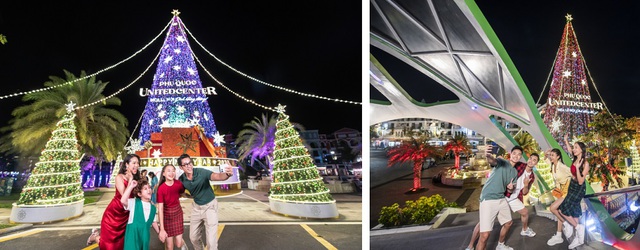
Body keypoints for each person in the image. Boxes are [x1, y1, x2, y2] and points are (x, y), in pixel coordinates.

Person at [466, 152, 539, 250]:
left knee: (524, 213)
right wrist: (493, 157)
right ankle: (470, 245)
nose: (531, 161)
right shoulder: (519, 165)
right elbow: (502, 162)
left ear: (536, 164)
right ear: (527, 158)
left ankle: (522, 231)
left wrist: (526, 184)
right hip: (503, 195)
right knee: (483, 225)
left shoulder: (532, 177)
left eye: (534, 160)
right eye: (530, 158)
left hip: (514, 197)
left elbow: (525, 192)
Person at [178, 154, 233, 250]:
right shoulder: (182, 180)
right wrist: (190, 196)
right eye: (185, 164)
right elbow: (181, 192)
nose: (189, 166)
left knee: (211, 243)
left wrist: (227, 174)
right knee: (193, 237)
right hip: (196, 208)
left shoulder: (201, 172)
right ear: (181, 167)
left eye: (190, 163)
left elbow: (217, 176)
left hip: (210, 207)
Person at [475, 145, 518, 250]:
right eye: (514, 153)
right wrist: (488, 156)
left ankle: (500, 245)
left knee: (508, 223)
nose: (516, 156)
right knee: (484, 236)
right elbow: (492, 161)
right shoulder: (502, 161)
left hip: (501, 198)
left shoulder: (515, 172)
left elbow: (509, 190)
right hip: (489, 198)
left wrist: (511, 188)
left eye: (519, 154)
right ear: (510, 154)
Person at [99, 154, 141, 250]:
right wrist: (130, 180)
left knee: (121, 244)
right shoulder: (119, 177)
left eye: (138, 163)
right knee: (109, 244)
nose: (137, 165)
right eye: (134, 163)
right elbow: (124, 196)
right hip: (114, 214)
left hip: (127, 214)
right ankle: (96, 237)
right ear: (126, 164)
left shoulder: (138, 178)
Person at [558, 141, 590, 248]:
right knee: (575, 211)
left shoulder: (585, 163)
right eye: (574, 147)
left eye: (576, 147)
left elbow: (581, 181)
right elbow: (569, 149)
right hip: (571, 185)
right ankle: (579, 238)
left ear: (581, 149)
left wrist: (576, 168)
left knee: (563, 209)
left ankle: (578, 227)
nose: (574, 149)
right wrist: (566, 141)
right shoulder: (575, 159)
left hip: (578, 188)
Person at [121, 179, 160, 250]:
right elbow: (123, 200)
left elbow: (153, 221)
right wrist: (131, 186)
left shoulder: (153, 208)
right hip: (133, 237)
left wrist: (159, 233)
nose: (149, 190)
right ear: (139, 194)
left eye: (149, 188)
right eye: (145, 189)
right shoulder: (134, 203)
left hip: (144, 237)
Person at [545, 147, 573, 246]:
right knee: (558, 211)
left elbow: (574, 174)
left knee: (552, 208)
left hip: (566, 191)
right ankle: (558, 235)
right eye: (551, 155)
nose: (551, 157)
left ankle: (566, 223)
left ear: (558, 157)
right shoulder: (553, 165)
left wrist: (572, 187)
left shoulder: (562, 167)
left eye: (553, 155)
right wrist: (547, 153)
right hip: (559, 191)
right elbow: (545, 157)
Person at [157, 164, 186, 250]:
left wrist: (192, 196)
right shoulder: (161, 189)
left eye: (173, 170)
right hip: (167, 217)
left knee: (178, 244)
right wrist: (162, 229)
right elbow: (160, 209)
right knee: (169, 247)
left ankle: (183, 244)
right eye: (168, 171)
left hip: (177, 214)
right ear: (163, 173)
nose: (171, 173)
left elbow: (182, 193)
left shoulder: (178, 184)